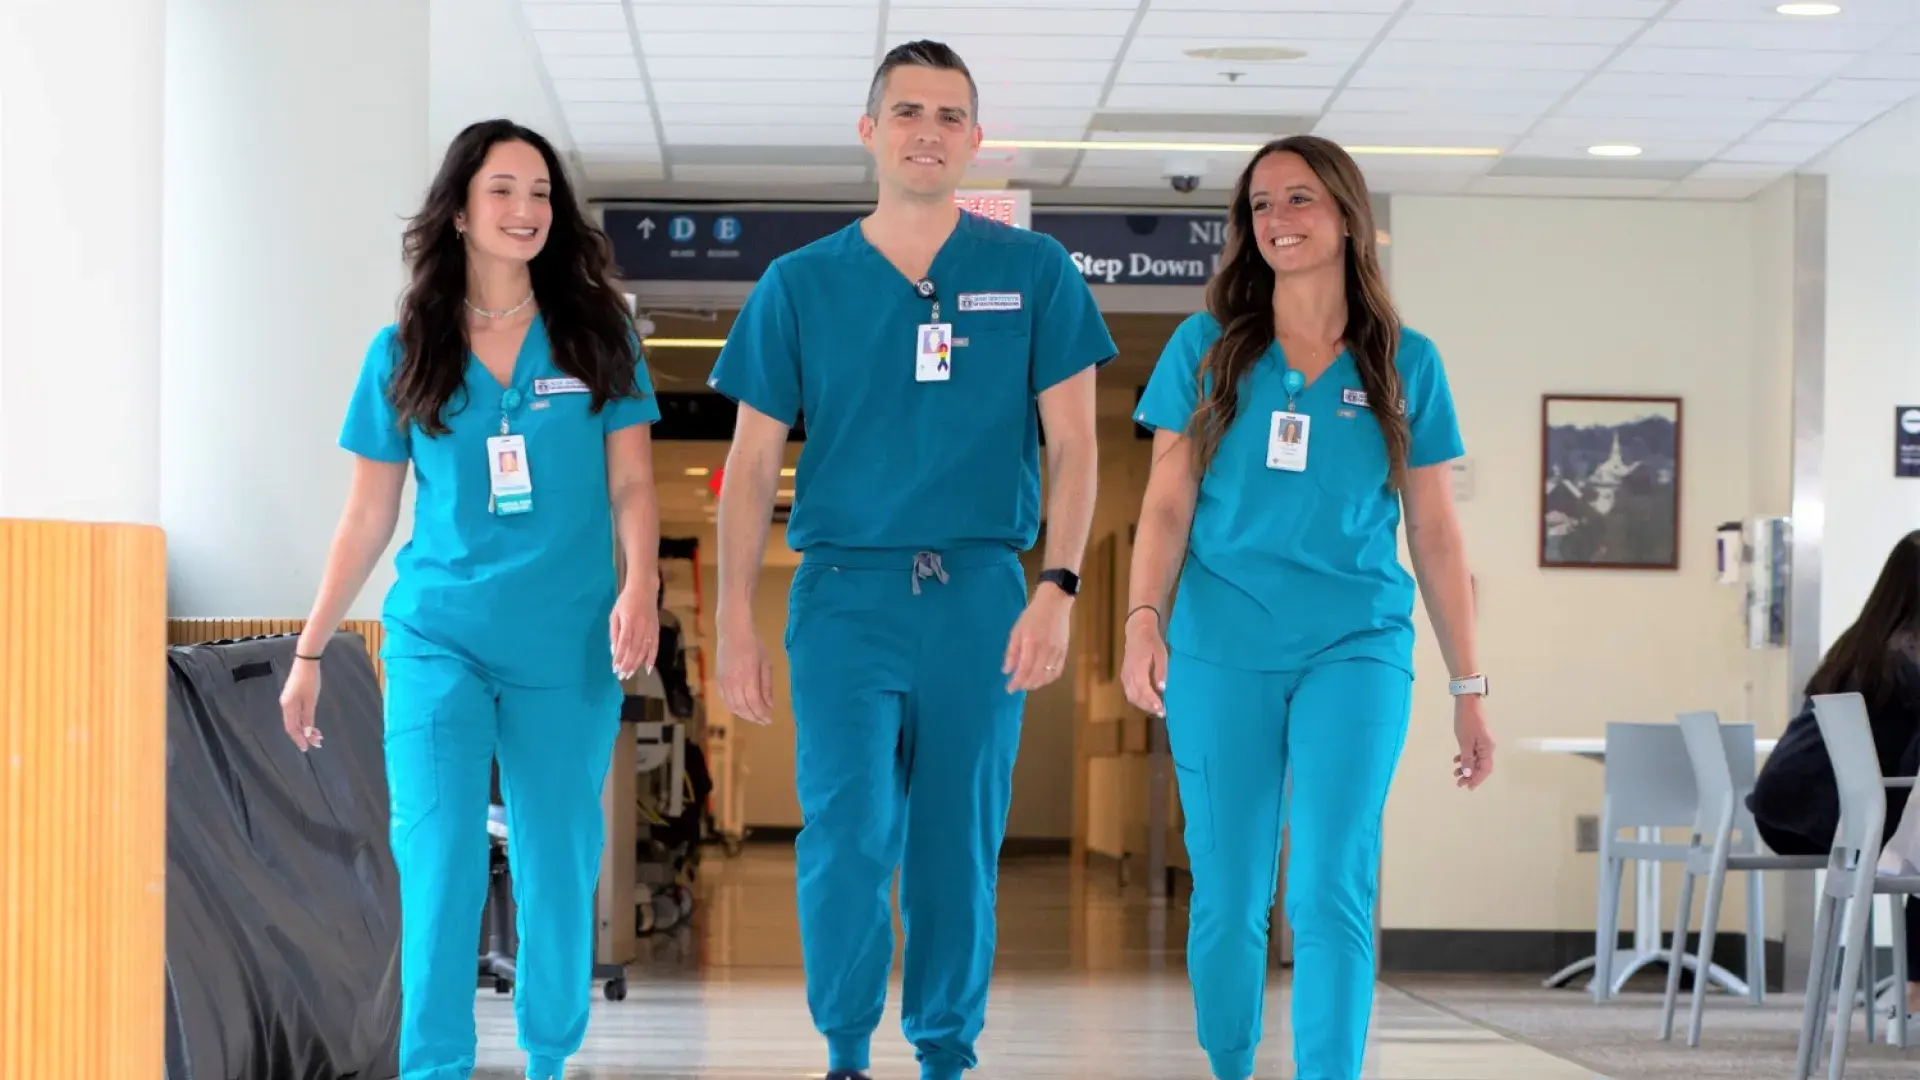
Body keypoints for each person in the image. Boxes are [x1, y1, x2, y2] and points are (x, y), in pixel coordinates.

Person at [706, 39, 1114, 1080]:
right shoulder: (801, 283)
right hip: (844, 595)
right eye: (907, 112)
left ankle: (943, 1053)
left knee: (955, 848)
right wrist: (731, 624)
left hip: (982, 596)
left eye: (949, 115)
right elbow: (752, 465)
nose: (928, 131)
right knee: (845, 838)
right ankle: (845, 1047)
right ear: (870, 131)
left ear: (976, 140)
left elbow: (1074, 444)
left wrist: (1058, 590)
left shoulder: (1034, 272)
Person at [277, 119, 662, 1080]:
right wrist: (311, 649)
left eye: (540, 193)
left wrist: (642, 586)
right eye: (503, 190)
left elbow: (633, 487)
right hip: (437, 635)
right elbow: (368, 516)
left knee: (557, 858)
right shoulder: (405, 348)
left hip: (567, 642)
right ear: (459, 211)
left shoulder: (596, 335)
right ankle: (435, 1065)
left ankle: (548, 1057)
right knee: (439, 860)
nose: (526, 209)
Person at [1120, 134, 1494, 1080]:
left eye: (1298, 200)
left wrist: (1470, 682)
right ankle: (1233, 1064)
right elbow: (1166, 503)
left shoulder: (1407, 362)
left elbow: (1438, 535)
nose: (1278, 222)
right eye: (1260, 207)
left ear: (1345, 214)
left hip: (1355, 645)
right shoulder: (1205, 350)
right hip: (1219, 644)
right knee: (1233, 895)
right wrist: (1142, 619)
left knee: (1332, 883)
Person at [1749, 530, 1920, 1016]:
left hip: (1789, 811)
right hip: (1833, 818)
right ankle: (1916, 990)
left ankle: (1914, 989)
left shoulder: (1862, 647)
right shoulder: (1905, 662)